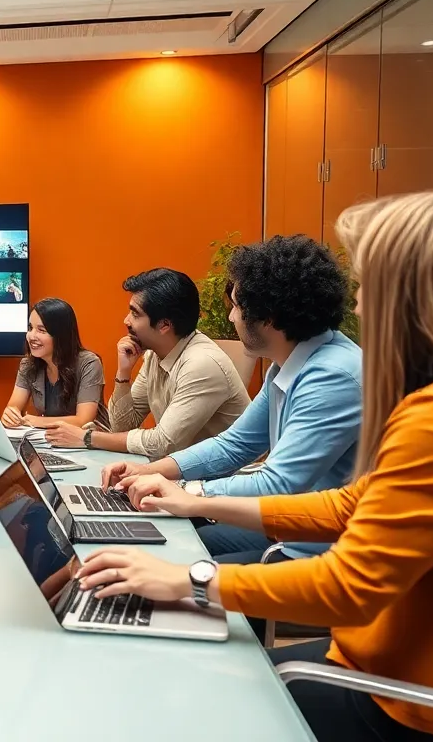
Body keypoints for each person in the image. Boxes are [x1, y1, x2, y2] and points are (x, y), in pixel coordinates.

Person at [81, 192, 433, 742]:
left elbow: (349, 584)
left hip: (418, 705)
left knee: (191, 696)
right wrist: (189, 499)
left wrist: (186, 578)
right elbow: (350, 504)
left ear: (413, 298)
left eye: (369, 285)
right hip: (398, 666)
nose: (360, 305)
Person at [99, 235, 362, 564]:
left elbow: (278, 483)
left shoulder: (332, 377)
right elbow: (234, 445)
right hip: (286, 525)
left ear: (268, 317)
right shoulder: (288, 363)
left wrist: (191, 491)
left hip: (320, 550)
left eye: (236, 307)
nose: (231, 318)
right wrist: (150, 471)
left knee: (172, 567)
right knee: (171, 546)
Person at [43, 269, 249, 459]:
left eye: (135, 314)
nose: (126, 321)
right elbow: (121, 426)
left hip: (226, 476)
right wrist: (124, 373)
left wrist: (87, 438)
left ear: (164, 325)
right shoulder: (154, 355)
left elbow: (162, 444)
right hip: (183, 469)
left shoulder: (201, 364)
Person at [3, 298, 110, 431]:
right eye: (30, 328)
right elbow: (13, 408)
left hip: (90, 440)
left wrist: (35, 420)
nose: (31, 336)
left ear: (61, 335)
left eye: (41, 330)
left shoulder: (89, 363)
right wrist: (10, 415)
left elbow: (83, 420)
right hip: (50, 439)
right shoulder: (28, 364)